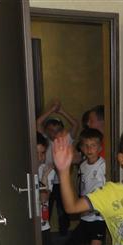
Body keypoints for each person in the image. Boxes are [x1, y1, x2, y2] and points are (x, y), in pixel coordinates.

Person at [64, 128, 107, 245]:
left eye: (93, 145)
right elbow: (82, 186)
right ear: (81, 147)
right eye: (86, 145)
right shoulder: (82, 166)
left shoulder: (104, 165)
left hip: (99, 215)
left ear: (100, 147)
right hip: (85, 213)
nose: (89, 149)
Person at [36, 100, 80, 235]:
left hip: (61, 182)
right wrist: (51, 110)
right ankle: (44, 230)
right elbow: (38, 123)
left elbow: (75, 124)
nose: (54, 134)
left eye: (57, 131)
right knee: (45, 206)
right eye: (51, 130)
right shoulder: (45, 140)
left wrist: (61, 111)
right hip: (46, 181)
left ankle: (64, 233)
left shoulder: (66, 140)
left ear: (61, 131)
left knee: (63, 209)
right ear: (46, 131)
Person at [36, 132, 60, 245]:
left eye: (43, 153)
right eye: (36, 153)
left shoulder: (47, 170)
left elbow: (44, 198)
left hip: (43, 225)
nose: (40, 157)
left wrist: (44, 175)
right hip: (27, 226)